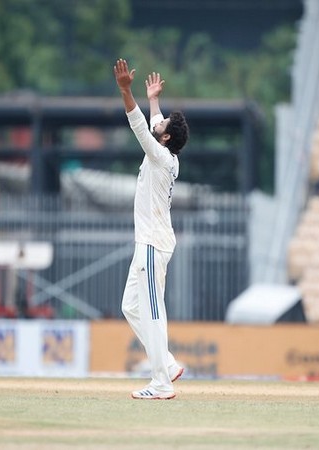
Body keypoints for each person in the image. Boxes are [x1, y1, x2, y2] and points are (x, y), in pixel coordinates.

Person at [113, 59, 188, 400]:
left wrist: (126, 91)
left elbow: (141, 127)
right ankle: (168, 364)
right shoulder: (169, 154)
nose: (160, 123)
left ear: (166, 137)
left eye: (165, 124)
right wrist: (154, 99)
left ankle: (161, 383)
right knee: (131, 306)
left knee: (153, 311)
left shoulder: (159, 155)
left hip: (152, 243)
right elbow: (155, 122)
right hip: (151, 241)